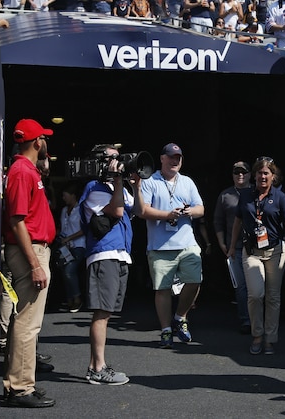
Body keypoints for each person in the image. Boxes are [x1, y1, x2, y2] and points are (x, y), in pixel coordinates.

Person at [227, 157, 285, 355]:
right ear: (254, 175)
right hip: (251, 252)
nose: (262, 176)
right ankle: (257, 335)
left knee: (273, 297)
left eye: (266, 173)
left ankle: (270, 339)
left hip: (275, 252)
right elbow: (237, 222)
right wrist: (232, 247)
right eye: (259, 173)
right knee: (255, 294)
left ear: (273, 176)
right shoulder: (246, 196)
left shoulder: (281, 198)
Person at [2, 118, 57, 408]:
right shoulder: (23, 171)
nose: (45, 142)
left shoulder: (24, 170)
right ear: (37, 142)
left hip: (31, 249)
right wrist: (35, 264)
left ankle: (19, 384)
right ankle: (20, 388)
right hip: (30, 251)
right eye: (44, 138)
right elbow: (17, 220)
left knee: (24, 320)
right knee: (27, 321)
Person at [134, 143, 205, 349]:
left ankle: (180, 317)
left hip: (187, 244)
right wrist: (168, 215)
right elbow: (142, 211)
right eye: (171, 157)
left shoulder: (187, 182)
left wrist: (190, 211)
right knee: (162, 289)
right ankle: (166, 330)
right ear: (162, 158)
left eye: (178, 158)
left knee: (195, 280)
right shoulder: (150, 181)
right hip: (159, 246)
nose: (175, 161)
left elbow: (201, 208)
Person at [79, 144, 136, 385]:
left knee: (107, 312)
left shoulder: (116, 187)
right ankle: (97, 368)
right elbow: (118, 210)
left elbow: (139, 208)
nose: (118, 162)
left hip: (120, 253)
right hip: (104, 254)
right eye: (112, 159)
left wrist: (136, 182)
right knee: (102, 312)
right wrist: (119, 180)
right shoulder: (94, 187)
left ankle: (96, 365)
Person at [214, 161, 253, 335]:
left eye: (243, 172)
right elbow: (218, 221)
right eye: (237, 172)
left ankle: (260, 319)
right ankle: (246, 321)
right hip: (234, 247)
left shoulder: (257, 192)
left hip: (256, 247)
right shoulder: (225, 195)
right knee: (241, 286)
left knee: (257, 286)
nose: (240, 175)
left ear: (250, 174)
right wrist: (222, 243)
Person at [57, 182, 86, 313]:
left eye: (65, 195)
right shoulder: (64, 210)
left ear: (73, 195)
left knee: (69, 270)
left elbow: (84, 229)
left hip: (78, 245)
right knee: (64, 270)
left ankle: (77, 298)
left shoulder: (81, 209)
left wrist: (69, 238)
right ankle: (70, 298)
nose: (63, 198)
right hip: (65, 247)